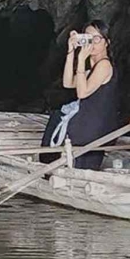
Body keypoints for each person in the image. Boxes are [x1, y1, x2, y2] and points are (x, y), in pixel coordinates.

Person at [40, 21, 120, 170]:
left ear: (107, 43)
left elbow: (82, 93)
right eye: (89, 38)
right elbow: (68, 83)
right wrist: (71, 51)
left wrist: (82, 60)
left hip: (95, 125)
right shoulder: (94, 68)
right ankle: (52, 165)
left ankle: (50, 167)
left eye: (97, 39)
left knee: (58, 121)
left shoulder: (104, 65)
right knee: (56, 118)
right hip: (89, 120)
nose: (93, 43)